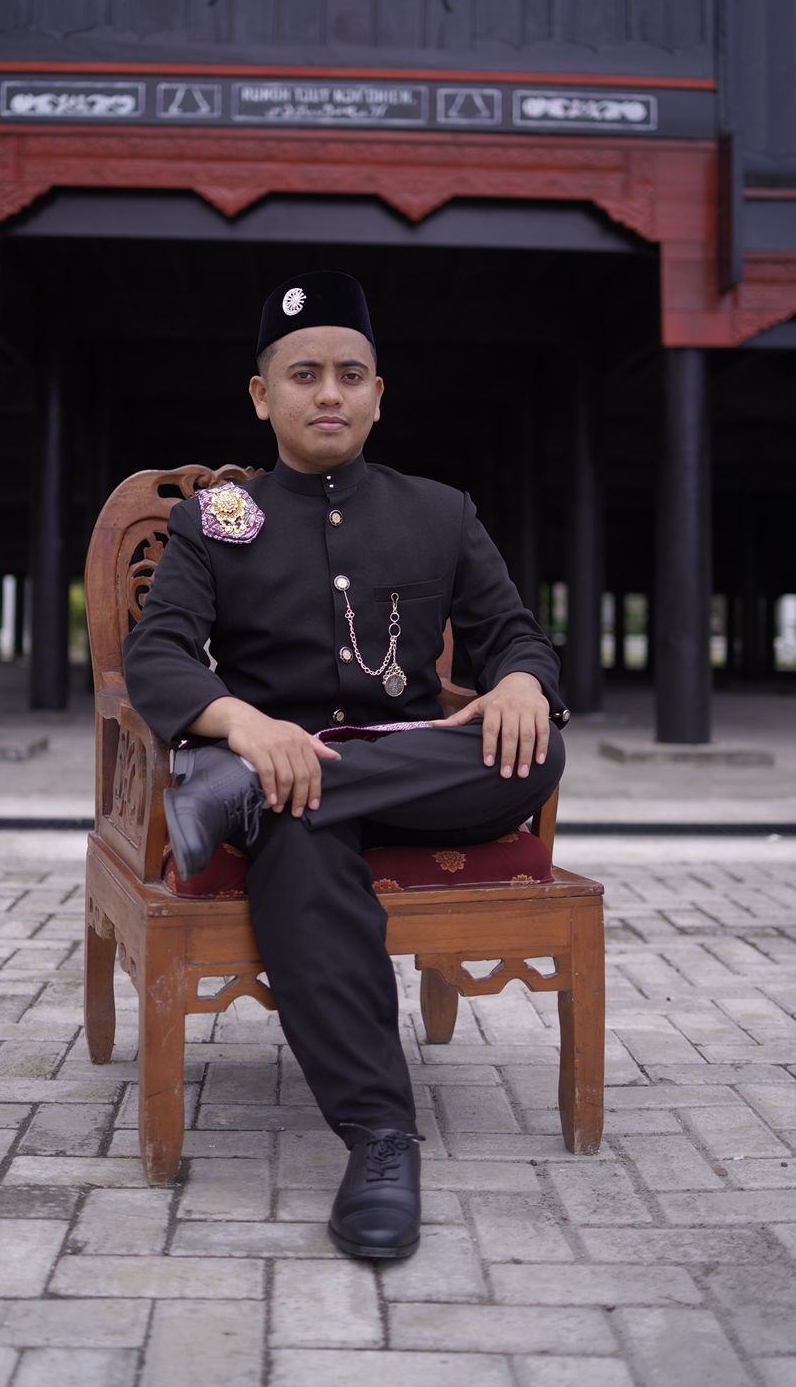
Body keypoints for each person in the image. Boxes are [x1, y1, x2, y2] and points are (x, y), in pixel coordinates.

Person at [122, 270, 568, 1261]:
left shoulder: (440, 512)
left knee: (530, 745)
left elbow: (514, 634)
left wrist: (521, 682)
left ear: (378, 394)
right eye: (304, 374)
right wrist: (241, 723)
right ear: (261, 395)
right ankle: (380, 1141)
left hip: (421, 775)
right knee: (299, 821)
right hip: (288, 780)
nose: (329, 393)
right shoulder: (215, 520)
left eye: (350, 375)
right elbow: (157, 653)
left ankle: (241, 792)